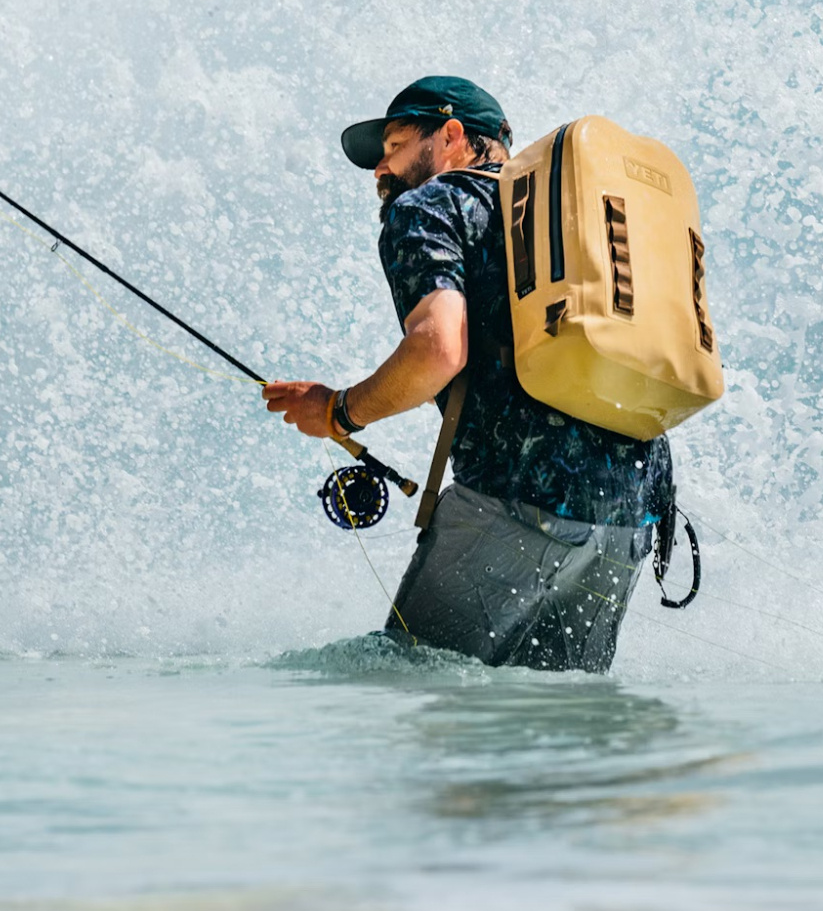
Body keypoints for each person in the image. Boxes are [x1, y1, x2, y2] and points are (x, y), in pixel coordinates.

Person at [261, 76, 673, 672]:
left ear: (451, 135)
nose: (380, 168)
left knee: (409, 688)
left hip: (512, 503)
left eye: (396, 145)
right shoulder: (564, 217)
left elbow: (438, 349)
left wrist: (338, 412)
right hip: (629, 513)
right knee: (562, 731)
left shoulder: (431, 205)